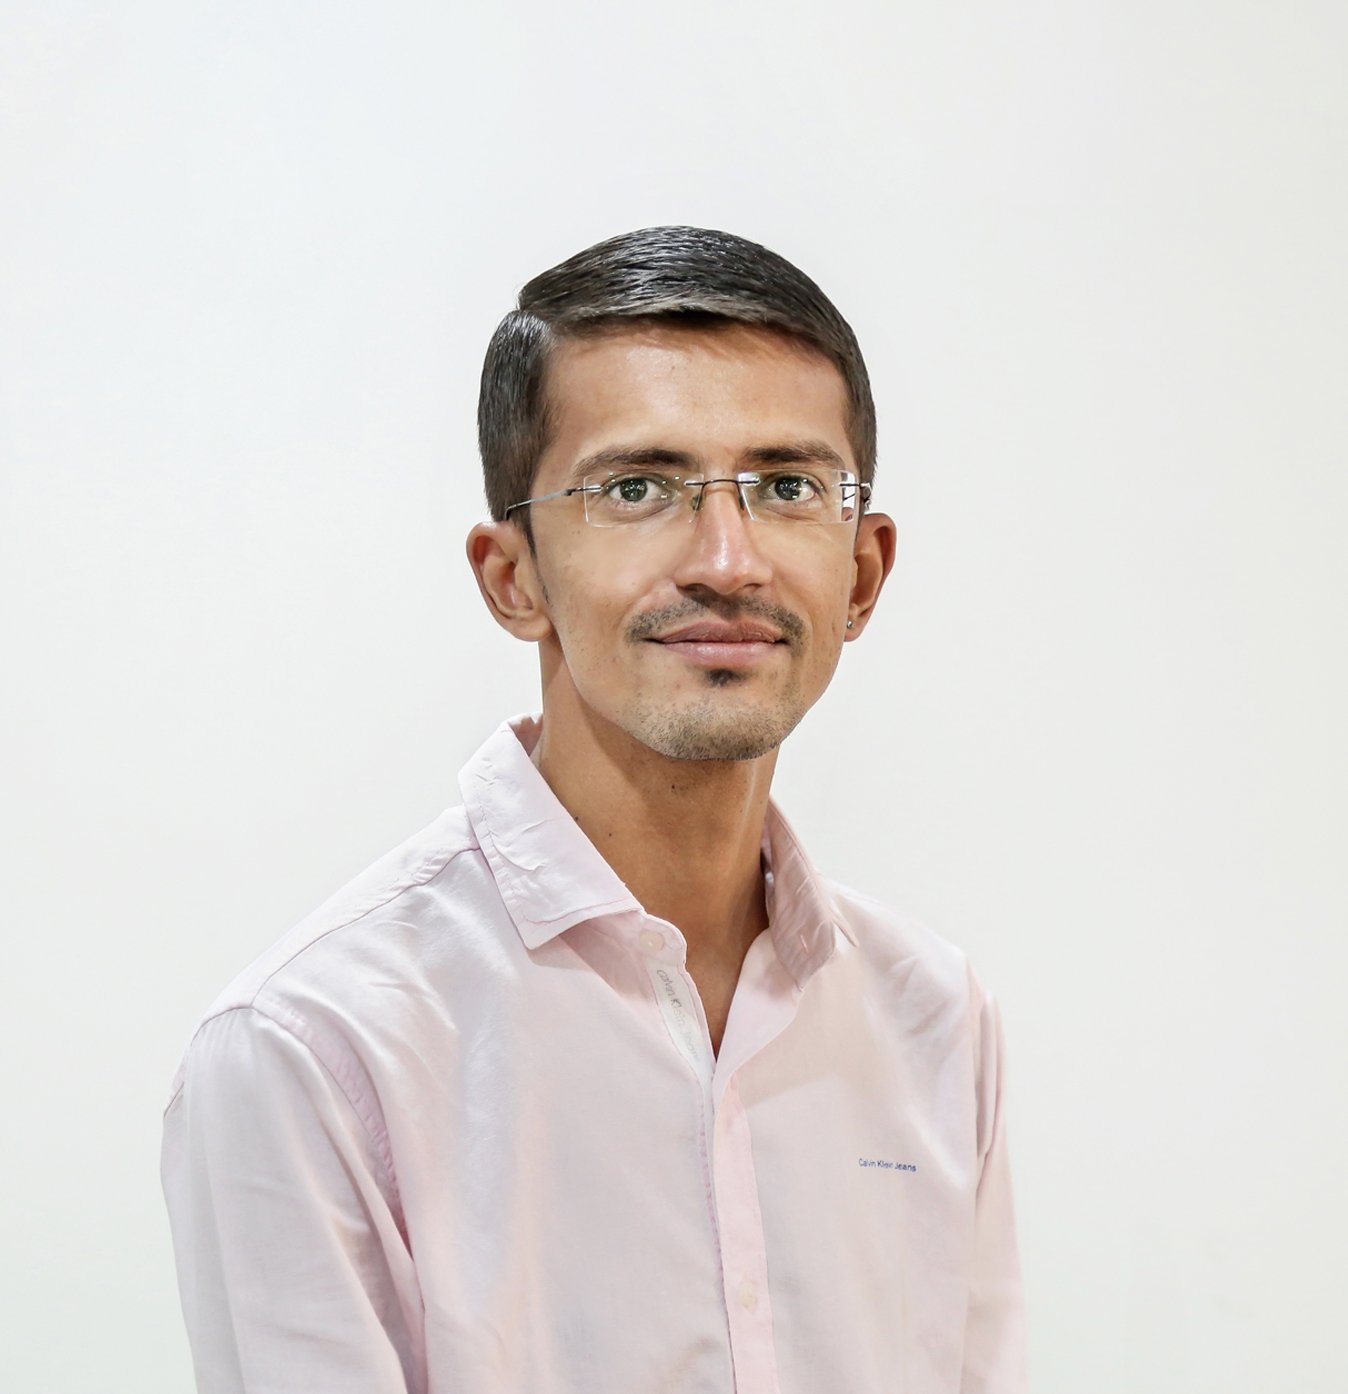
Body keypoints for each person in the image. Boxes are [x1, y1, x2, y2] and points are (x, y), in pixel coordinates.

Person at [161, 225, 1027, 1393]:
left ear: (861, 572)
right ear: (512, 575)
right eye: (637, 487)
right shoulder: (316, 1049)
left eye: (785, 486)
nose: (728, 558)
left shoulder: (934, 1018)